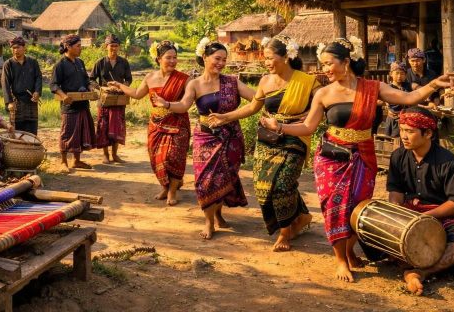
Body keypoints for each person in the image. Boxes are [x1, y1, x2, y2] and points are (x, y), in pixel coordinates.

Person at [260, 37, 451, 282]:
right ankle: (340, 259)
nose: (326, 69)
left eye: (329, 63)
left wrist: (434, 84)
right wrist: (280, 128)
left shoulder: (372, 88)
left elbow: (408, 99)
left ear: (346, 62)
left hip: (363, 155)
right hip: (331, 158)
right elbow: (308, 127)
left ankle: (349, 251)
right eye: (323, 64)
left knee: (357, 208)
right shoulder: (323, 93)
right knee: (334, 208)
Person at [211, 36, 317, 251]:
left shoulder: (307, 82)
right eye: (265, 59)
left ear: (286, 57)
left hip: (295, 137)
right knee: (262, 187)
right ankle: (302, 216)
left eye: (270, 58)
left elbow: (321, 109)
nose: (267, 63)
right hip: (267, 139)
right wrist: (226, 117)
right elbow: (252, 108)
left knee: (283, 185)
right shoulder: (265, 81)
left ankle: (285, 232)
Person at [152, 39, 255, 239]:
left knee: (224, 178)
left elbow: (256, 99)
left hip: (230, 138)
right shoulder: (195, 84)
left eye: (224, 60)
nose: (221, 63)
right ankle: (209, 221)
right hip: (205, 137)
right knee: (206, 181)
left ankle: (218, 214)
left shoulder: (232, 82)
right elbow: (183, 105)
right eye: (217, 58)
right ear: (205, 58)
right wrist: (167, 104)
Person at [387, 107, 454, 295]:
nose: (403, 136)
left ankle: (419, 272)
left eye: (410, 131)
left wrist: (426, 218)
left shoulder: (448, 161)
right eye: (402, 129)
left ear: (428, 133)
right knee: (373, 233)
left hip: (447, 217)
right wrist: (397, 214)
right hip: (410, 213)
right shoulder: (398, 156)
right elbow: (395, 190)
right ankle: (410, 268)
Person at [109, 40, 190, 206]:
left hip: (177, 124)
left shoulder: (184, 79)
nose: (173, 61)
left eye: (175, 57)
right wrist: (120, 86)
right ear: (159, 58)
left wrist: (168, 104)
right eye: (169, 57)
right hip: (156, 125)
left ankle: (172, 192)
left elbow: (187, 102)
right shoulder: (150, 77)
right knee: (156, 158)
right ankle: (165, 187)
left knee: (173, 157)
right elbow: (137, 94)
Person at [50, 35, 95, 173]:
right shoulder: (60, 65)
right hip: (69, 107)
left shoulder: (80, 62)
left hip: (82, 104)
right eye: (78, 46)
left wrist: (91, 88)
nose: (80, 48)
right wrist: (63, 96)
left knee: (81, 133)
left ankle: (76, 160)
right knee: (67, 133)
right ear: (68, 47)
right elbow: (53, 85)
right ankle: (64, 161)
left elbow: (86, 81)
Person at [90, 34, 133, 164]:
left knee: (117, 127)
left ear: (119, 47)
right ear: (106, 47)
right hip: (104, 100)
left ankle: (115, 155)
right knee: (104, 127)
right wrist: (102, 88)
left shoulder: (124, 62)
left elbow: (129, 79)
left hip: (119, 99)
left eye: (116, 46)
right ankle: (105, 155)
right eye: (111, 46)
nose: (113, 48)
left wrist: (122, 87)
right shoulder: (100, 63)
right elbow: (91, 79)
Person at [1, 36, 42, 135]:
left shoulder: (33, 62)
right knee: (17, 128)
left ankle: (31, 147)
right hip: (16, 100)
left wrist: (37, 92)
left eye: (18, 47)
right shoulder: (8, 64)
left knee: (32, 126)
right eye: (13, 48)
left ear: (24, 48)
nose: (16, 50)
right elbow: (5, 83)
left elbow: (38, 78)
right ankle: (19, 149)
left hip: (31, 100)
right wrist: (9, 102)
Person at [378, 61, 412, 138]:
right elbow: (380, 101)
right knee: (392, 140)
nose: (399, 76)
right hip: (393, 119)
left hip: (407, 119)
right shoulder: (387, 88)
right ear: (391, 74)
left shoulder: (408, 86)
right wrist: (386, 107)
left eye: (402, 73)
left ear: (405, 75)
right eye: (397, 73)